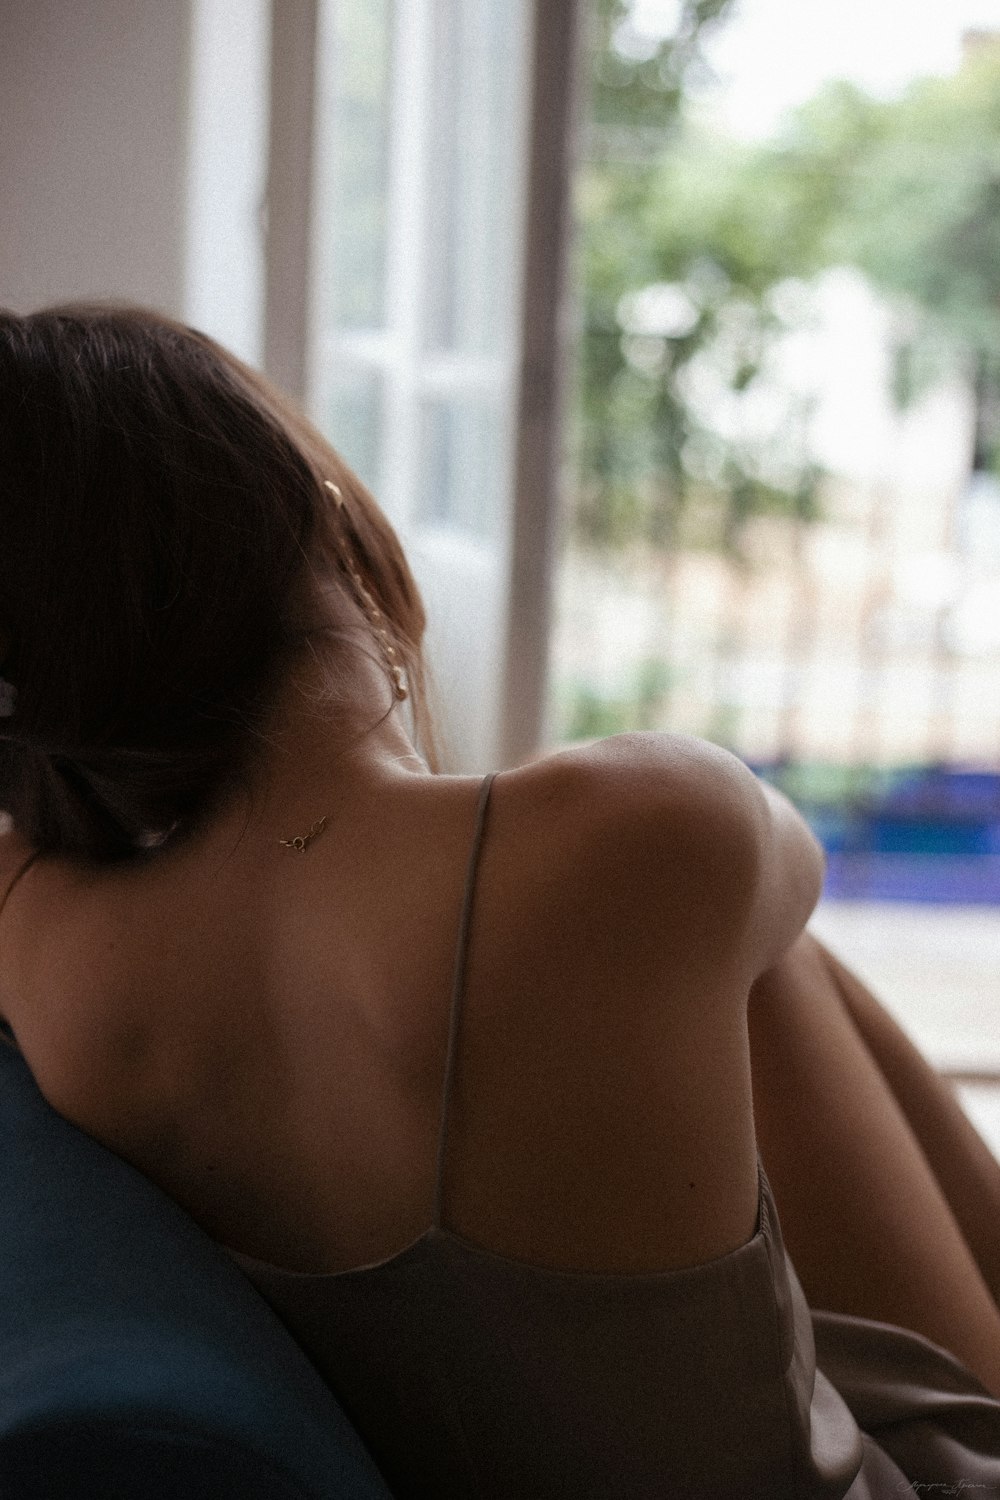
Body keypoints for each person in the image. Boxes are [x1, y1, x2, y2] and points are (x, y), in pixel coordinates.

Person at [0, 302, 999, 1498]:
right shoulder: (629, 830)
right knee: (758, 954)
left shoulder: (34, 928)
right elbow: (778, 880)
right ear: (312, 514)